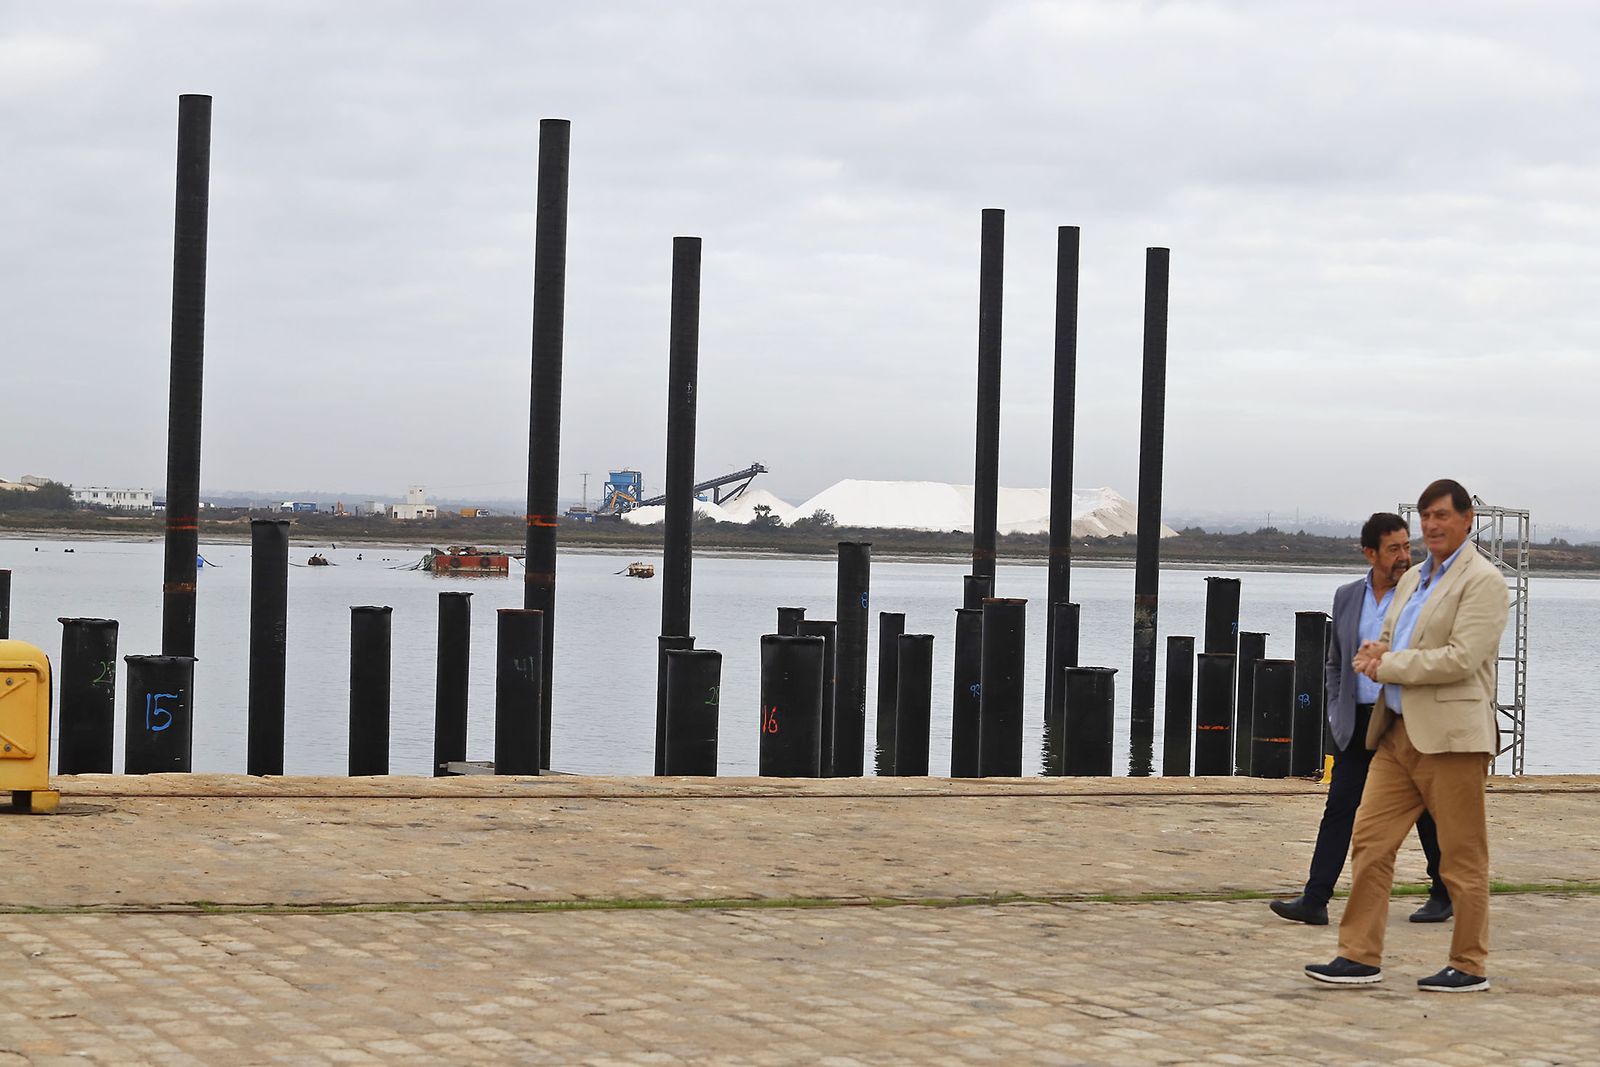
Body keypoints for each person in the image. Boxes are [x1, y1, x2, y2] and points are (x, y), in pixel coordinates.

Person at [1306, 480, 1508, 993]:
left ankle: (1469, 964)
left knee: (1461, 858)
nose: (1432, 525)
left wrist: (1390, 664)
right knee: (1370, 843)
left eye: (1442, 515)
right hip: (1395, 736)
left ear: (1467, 520)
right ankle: (1358, 956)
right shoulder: (1416, 577)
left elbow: (1462, 659)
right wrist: (1375, 651)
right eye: (1426, 516)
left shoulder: (1483, 581)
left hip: (1451, 740)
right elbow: (1393, 637)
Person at [1269, 512, 1450, 927]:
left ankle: (1444, 891)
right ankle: (1315, 899)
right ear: (1370, 553)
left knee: (1425, 808)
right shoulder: (1347, 596)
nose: (1404, 556)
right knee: (1339, 808)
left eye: (1407, 546)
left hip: (1406, 721)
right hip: (1357, 724)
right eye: (1393, 549)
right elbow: (1336, 662)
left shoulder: (1425, 596)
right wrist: (1338, 711)